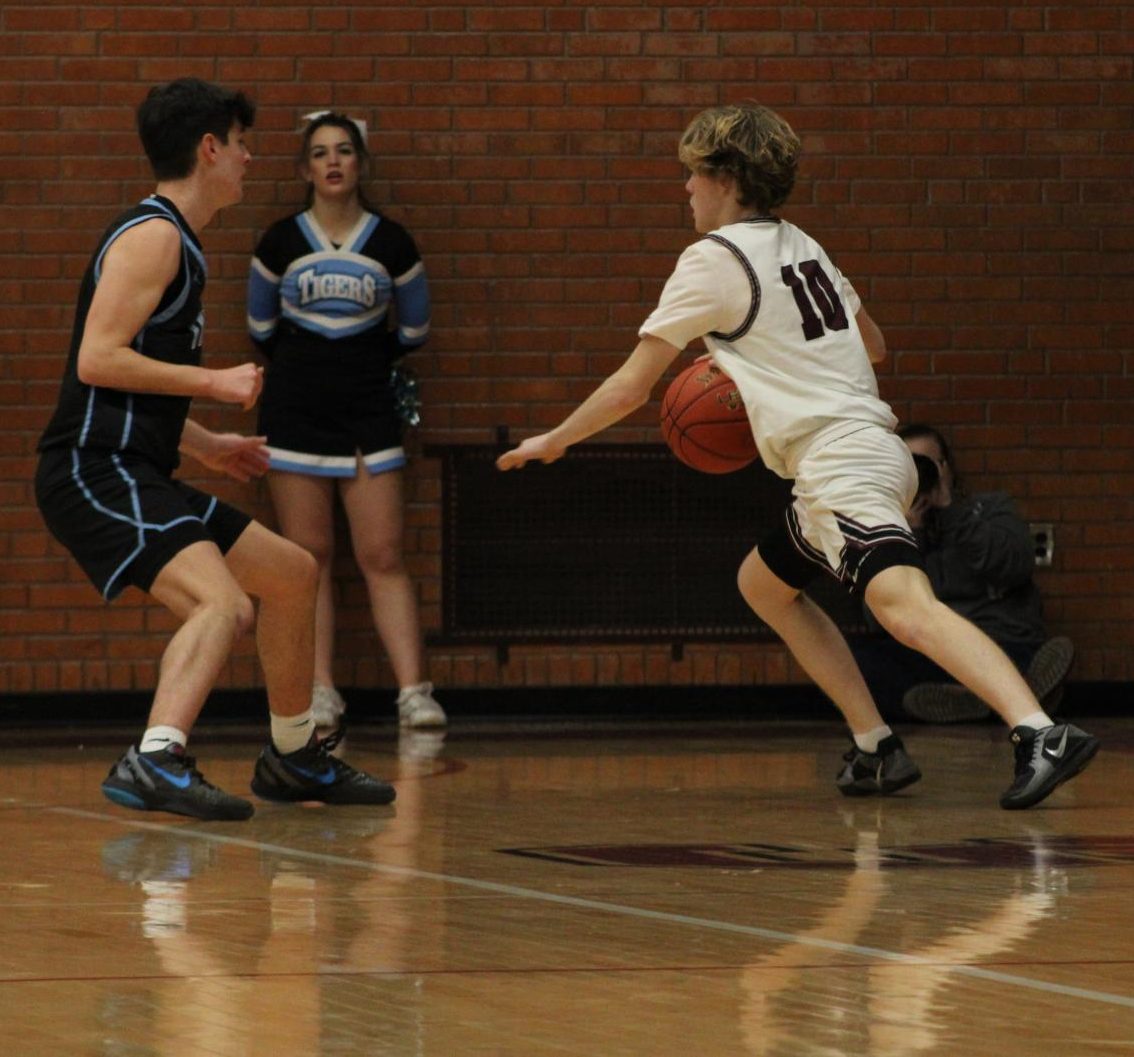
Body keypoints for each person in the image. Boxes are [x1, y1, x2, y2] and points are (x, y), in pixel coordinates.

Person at [496, 102, 1099, 810]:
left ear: (724, 177)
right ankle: (876, 744)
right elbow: (874, 345)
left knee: (903, 608)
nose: (686, 190)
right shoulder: (803, 244)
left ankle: (1039, 730)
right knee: (763, 584)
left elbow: (633, 386)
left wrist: (556, 438)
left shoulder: (711, 261)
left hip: (839, 462)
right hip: (867, 452)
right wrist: (772, 358)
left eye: (692, 175)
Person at [34, 79, 396, 822]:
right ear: (209, 148)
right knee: (221, 603)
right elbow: (97, 361)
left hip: (138, 463)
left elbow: (130, 381)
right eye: (239, 143)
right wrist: (215, 381)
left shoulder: (180, 242)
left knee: (292, 574)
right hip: (92, 469)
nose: (248, 157)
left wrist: (204, 444)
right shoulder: (154, 235)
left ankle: (293, 754)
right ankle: (156, 755)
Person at [246, 111, 445, 736]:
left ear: (361, 163)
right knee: (310, 556)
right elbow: (260, 330)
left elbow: (413, 331)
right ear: (304, 168)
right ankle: (320, 688)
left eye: (345, 152)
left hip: (367, 411)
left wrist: (357, 366)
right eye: (321, 153)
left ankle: (414, 692)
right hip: (295, 411)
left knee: (382, 553)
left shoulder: (393, 243)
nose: (333, 162)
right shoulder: (278, 242)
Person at [850, 424, 1074, 723]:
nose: (921, 475)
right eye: (911, 467)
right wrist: (907, 534)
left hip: (1000, 641)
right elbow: (878, 615)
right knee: (856, 661)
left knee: (1020, 657)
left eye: (929, 465)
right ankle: (1008, 698)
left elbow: (1011, 567)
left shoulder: (991, 508)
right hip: (932, 653)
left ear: (947, 468)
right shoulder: (890, 527)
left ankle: (979, 696)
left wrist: (951, 509)